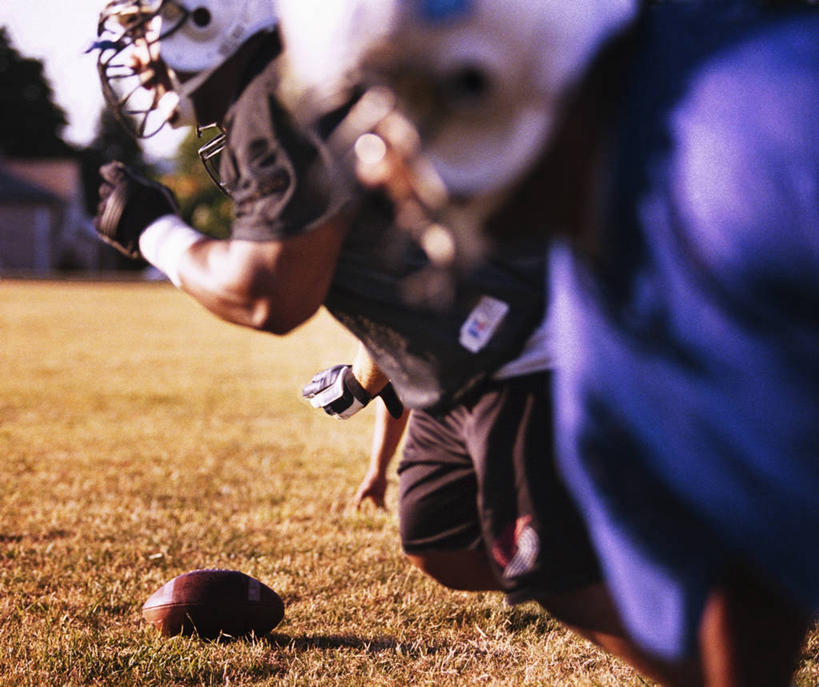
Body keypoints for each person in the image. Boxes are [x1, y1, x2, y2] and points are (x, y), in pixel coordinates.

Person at [88, 2, 703, 685]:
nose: (139, 55)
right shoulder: (278, 93)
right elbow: (396, 263)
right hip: (464, 353)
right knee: (439, 535)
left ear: (210, 19)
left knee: (553, 572)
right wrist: (365, 379)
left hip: (516, 340)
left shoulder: (270, 104)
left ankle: (714, 653)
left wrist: (154, 233)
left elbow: (273, 295)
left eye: (151, 29)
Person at [275, 1, 819, 686]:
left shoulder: (760, 144)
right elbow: (744, 546)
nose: (376, 168)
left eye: (382, 115)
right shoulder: (603, 261)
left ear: (482, 72)